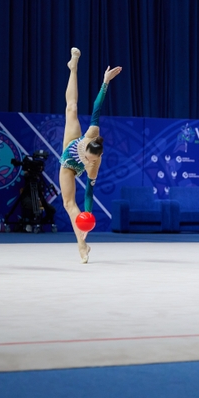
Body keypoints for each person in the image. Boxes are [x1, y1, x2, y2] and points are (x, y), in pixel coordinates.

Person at [59, 48, 122, 263]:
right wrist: (105, 82)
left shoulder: (93, 165)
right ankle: (73, 67)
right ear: (87, 147)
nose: (90, 162)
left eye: (93, 161)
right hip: (69, 154)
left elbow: (88, 193)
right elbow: (97, 107)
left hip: (74, 166)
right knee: (72, 108)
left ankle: (81, 242)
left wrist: (86, 216)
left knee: (74, 206)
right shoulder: (91, 134)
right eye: (89, 158)